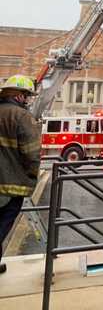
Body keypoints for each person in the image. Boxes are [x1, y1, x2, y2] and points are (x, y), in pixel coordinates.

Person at [0, 75, 41, 274]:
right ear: (17, 96)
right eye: (25, 96)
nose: (27, 100)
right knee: (2, 225)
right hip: (10, 186)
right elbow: (32, 153)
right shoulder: (21, 117)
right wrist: (32, 176)